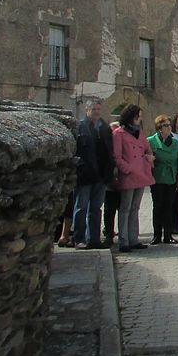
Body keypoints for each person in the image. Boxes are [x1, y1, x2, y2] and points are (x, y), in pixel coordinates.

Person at [72, 99, 115, 249]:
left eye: (98, 109)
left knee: (96, 209)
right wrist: (80, 166)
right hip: (85, 175)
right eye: (94, 109)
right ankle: (79, 239)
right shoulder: (80, 127)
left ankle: (94, 239)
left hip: (101, 175)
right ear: (87, 110)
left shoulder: (104, 128)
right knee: (81, 207)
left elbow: (110, 150)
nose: (97, 112)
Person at [112, 104, 154, 253]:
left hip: (141, 174)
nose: (139, 119)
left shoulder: (139, 132)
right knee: (125, 208)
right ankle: (124, 240)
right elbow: (117, 156)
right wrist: (127, 169)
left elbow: (147, 147)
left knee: (135, 208)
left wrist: (149, 157)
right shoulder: (119, 133)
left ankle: (134, 238)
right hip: (129, 175)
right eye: (138, 116)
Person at [148, 114, 178, 245]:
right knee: (158, 207)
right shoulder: (151, 141)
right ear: (159, 128)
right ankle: (157, 235)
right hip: (157, 178)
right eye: (166, 125)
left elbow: (177, 160)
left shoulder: (175, 142)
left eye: (170, 125)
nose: (169, 128)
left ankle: (168, 235)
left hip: (171, 178)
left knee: (169, 207)